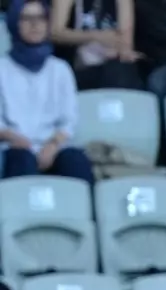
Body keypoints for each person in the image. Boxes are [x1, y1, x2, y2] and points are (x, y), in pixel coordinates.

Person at [0, 0, 94, 182]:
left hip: (54, 145)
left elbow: (69, 118)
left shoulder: (60, 69)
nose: (35, 24)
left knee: (76, 161)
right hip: (14, 145)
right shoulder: (2, 68)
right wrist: (16, 139)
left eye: (41, 18)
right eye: (26, 18)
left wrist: (52, 145)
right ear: (14, 23)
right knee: (22, 161)